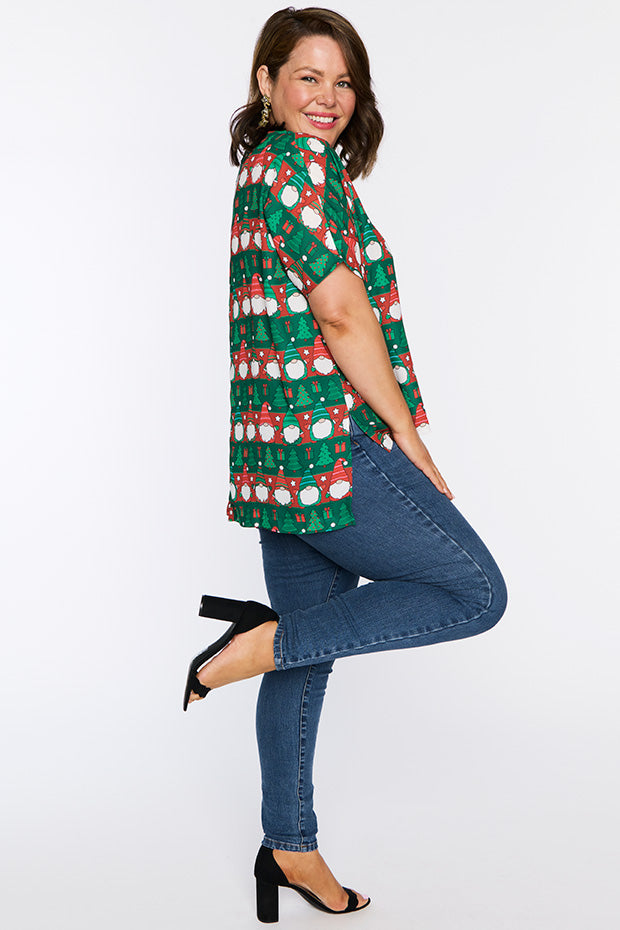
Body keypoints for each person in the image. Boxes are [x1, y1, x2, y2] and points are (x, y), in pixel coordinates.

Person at [183, 6, 508, 923]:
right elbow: (341, 313)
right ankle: (252, 645)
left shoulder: (275, 170)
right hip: (329, 443)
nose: (327, 97)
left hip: (277, 455)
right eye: (307, 77)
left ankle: (289, 847)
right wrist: (408, 434)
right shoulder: (293, 169)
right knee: (476, 592)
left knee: (309, 653)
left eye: (343, 81)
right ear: (266, 82)